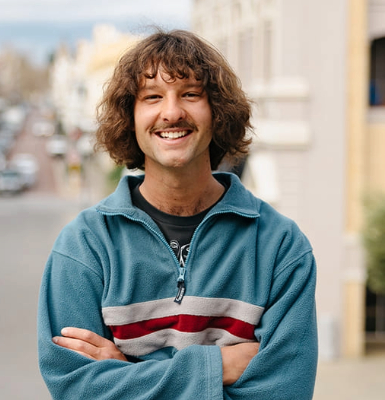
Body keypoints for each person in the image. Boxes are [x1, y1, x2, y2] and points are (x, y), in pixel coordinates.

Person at [37, 29, 318, 399]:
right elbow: (75, 387)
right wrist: (220, 366)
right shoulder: (85, 246)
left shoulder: (280, 247)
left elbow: (286, 390)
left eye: (190, 94)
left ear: (217, 112)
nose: (171, 112)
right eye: (152, 97)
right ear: (130, 118)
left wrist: (125, 373)